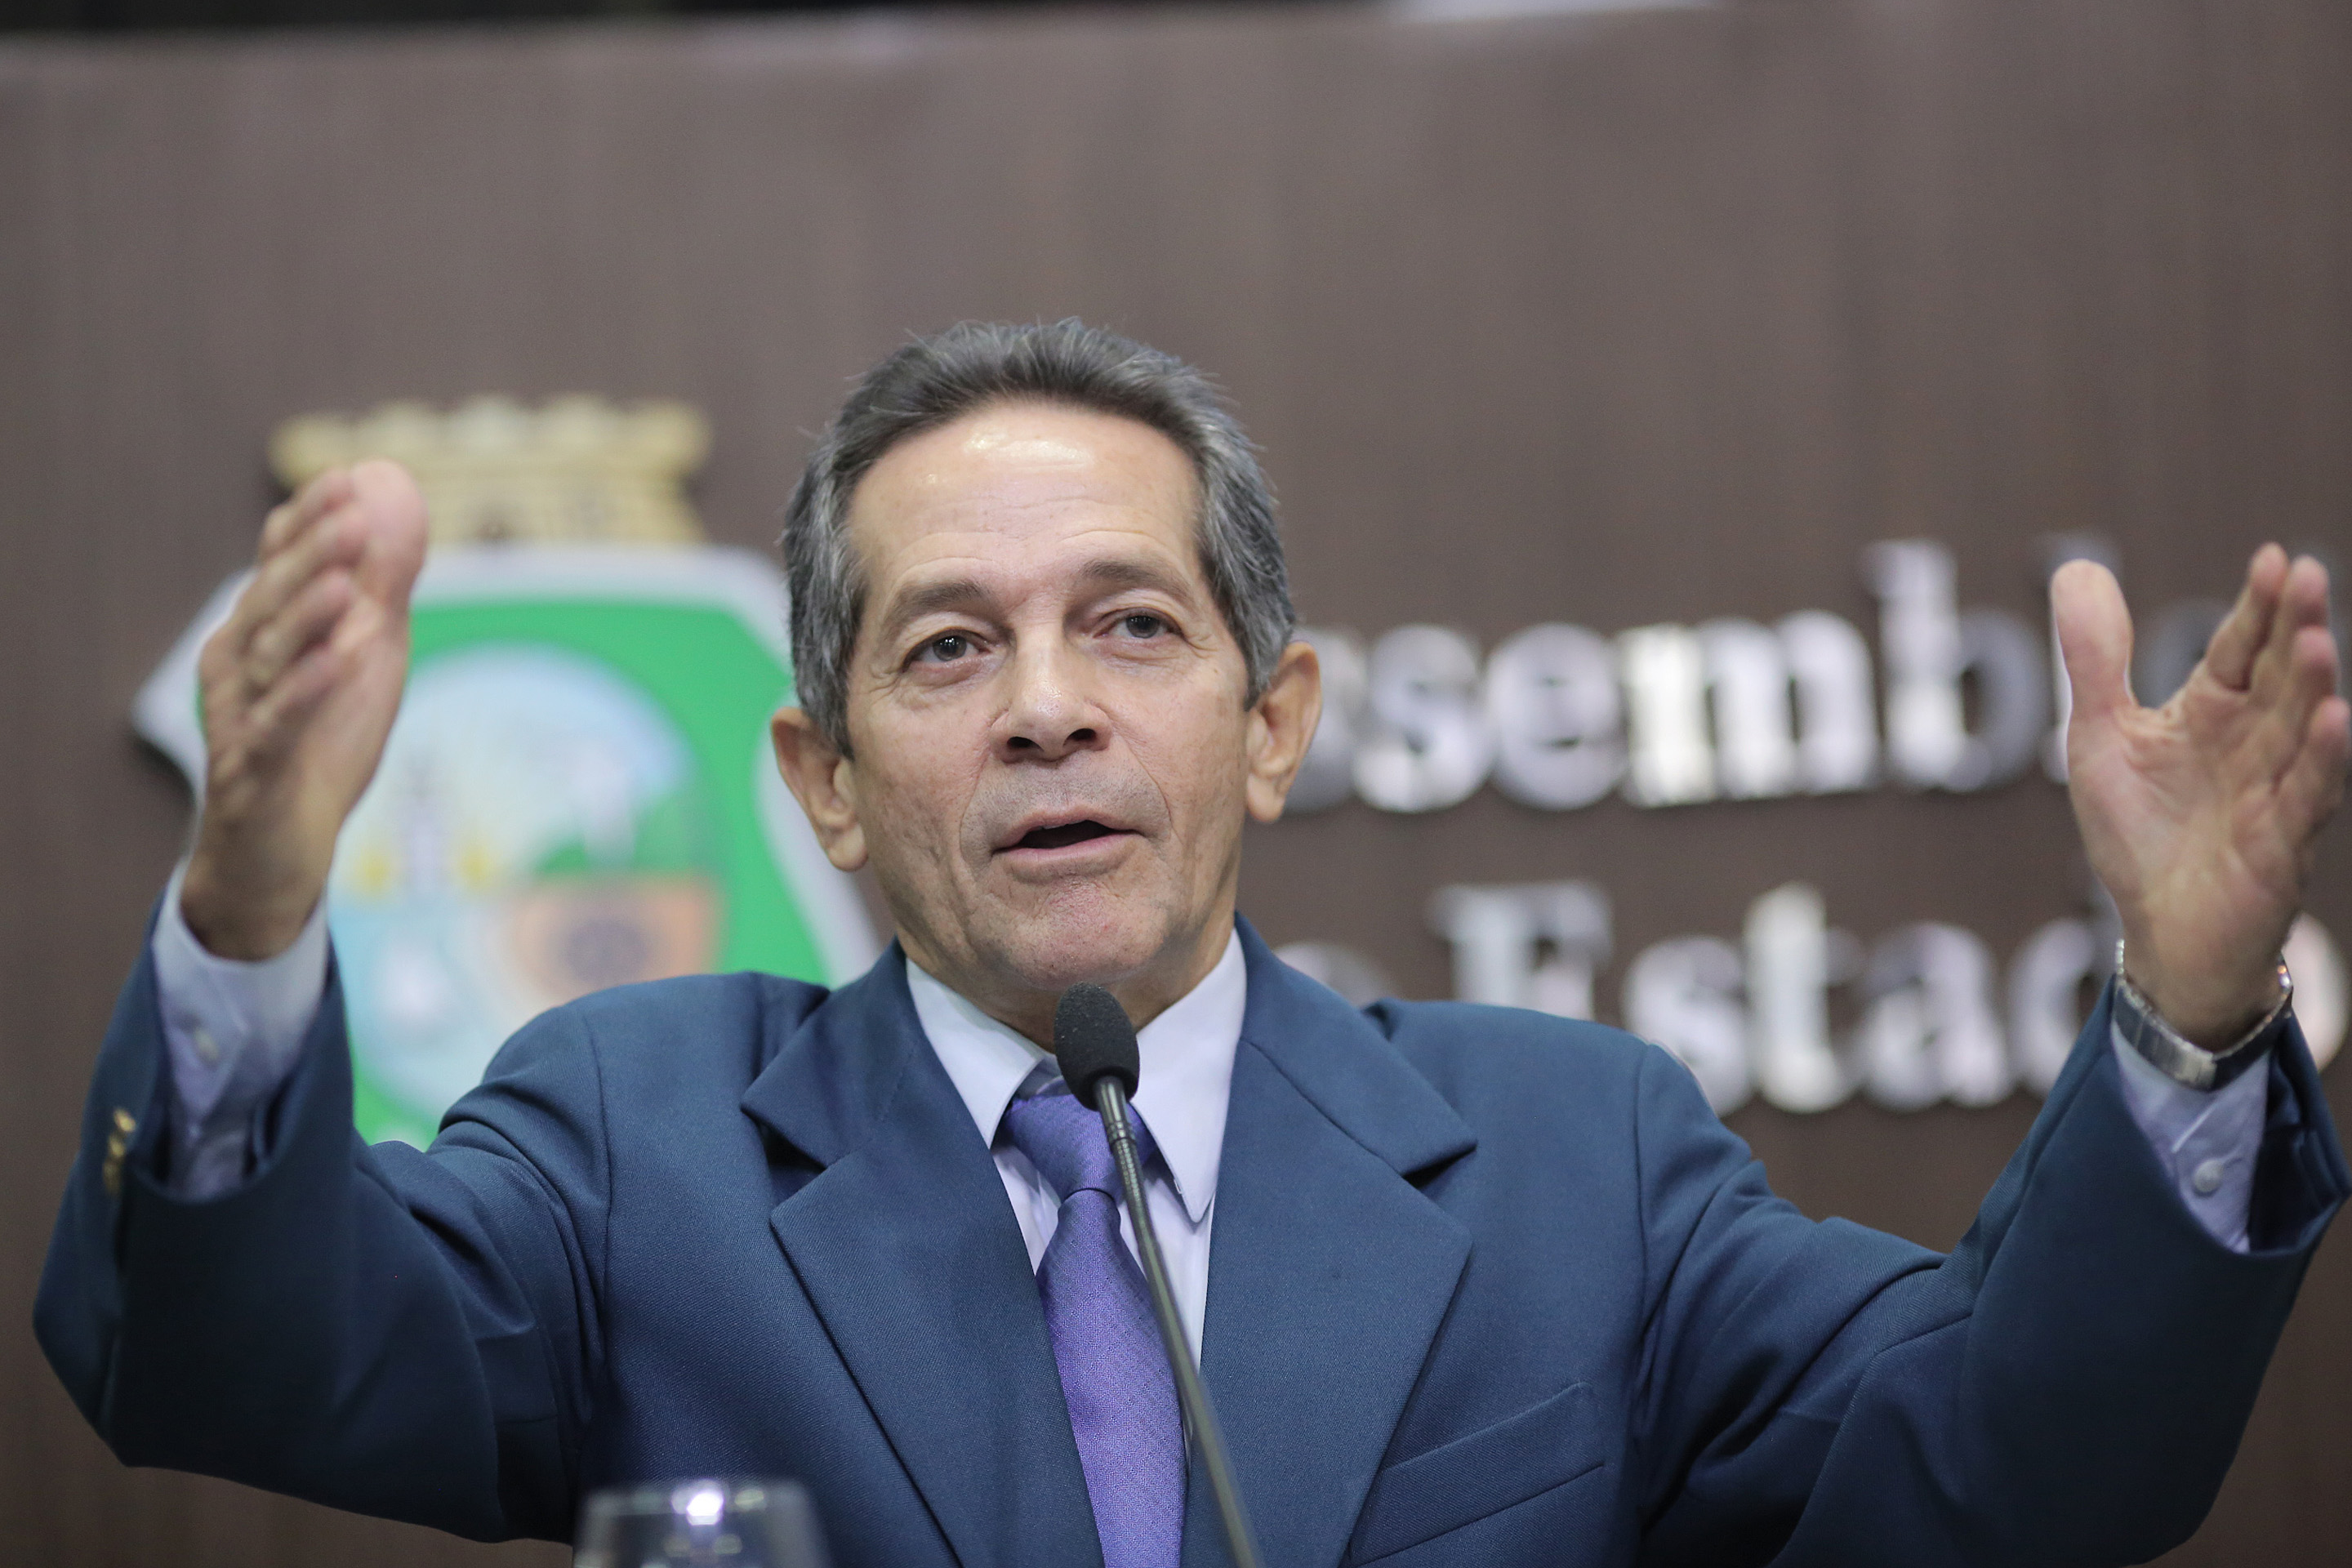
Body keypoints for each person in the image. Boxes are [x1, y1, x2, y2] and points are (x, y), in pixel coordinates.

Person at [38, 321, 2352, 1568]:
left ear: (1272, 725)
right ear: (822, 779)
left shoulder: (1582, 1160)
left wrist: (2190, 1015)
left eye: (1131, 625)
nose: (1046, 705)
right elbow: (229, 1363)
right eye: (948, 649)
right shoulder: (641, 1143)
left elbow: (2020, 1466)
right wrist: (249, 911)